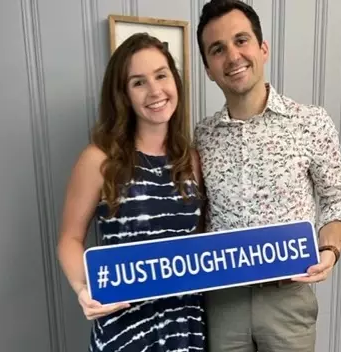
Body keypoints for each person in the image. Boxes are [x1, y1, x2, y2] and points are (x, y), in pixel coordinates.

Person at [194, 1, 341, 351]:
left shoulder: (310, 122)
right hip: (223, 300)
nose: (233, 56)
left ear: (263, 48)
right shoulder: (202, 136)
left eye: (241, 40)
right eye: (218, 49)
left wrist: (330, 249)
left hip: (288, 298)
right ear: (209, 69)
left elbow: (338, 201)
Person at [57, 32, 206, 352]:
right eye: (138, 82)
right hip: (126, 330)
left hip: (186, 325)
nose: (155, 91)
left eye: (161, 75)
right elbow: (69, 239)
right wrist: (83, 289)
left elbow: (203, 242)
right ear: (123, 94)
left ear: (175, 81)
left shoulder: (190, 159)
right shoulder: (99, 159)